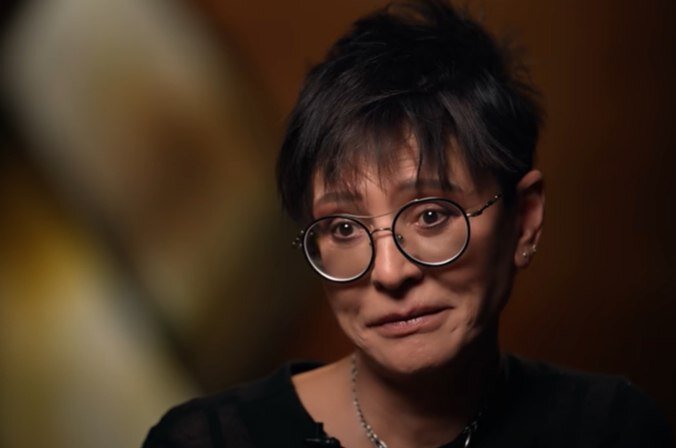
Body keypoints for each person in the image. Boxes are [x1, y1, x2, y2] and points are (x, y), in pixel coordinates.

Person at [143, 1, 674, 446]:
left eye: (431, 215)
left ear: (524, 220)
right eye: (344, 228)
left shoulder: (612, 430)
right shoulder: (209, 441)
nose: (390, 273)